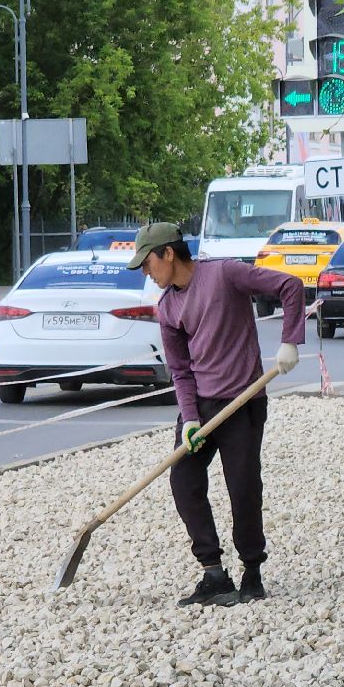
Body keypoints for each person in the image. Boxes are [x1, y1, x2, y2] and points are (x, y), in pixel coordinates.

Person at [127, 222, 307, 607]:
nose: (146, 272)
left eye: (147, 263)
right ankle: (213, 572)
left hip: (243, 400)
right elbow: (180, 371)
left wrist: (290, 340)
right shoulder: (168, 307)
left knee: (242, 486)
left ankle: (252, 570)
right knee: (184, 481)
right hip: (203, 407)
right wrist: (189, 418)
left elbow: (291, 287)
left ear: (168, 254)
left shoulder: (225, 274)